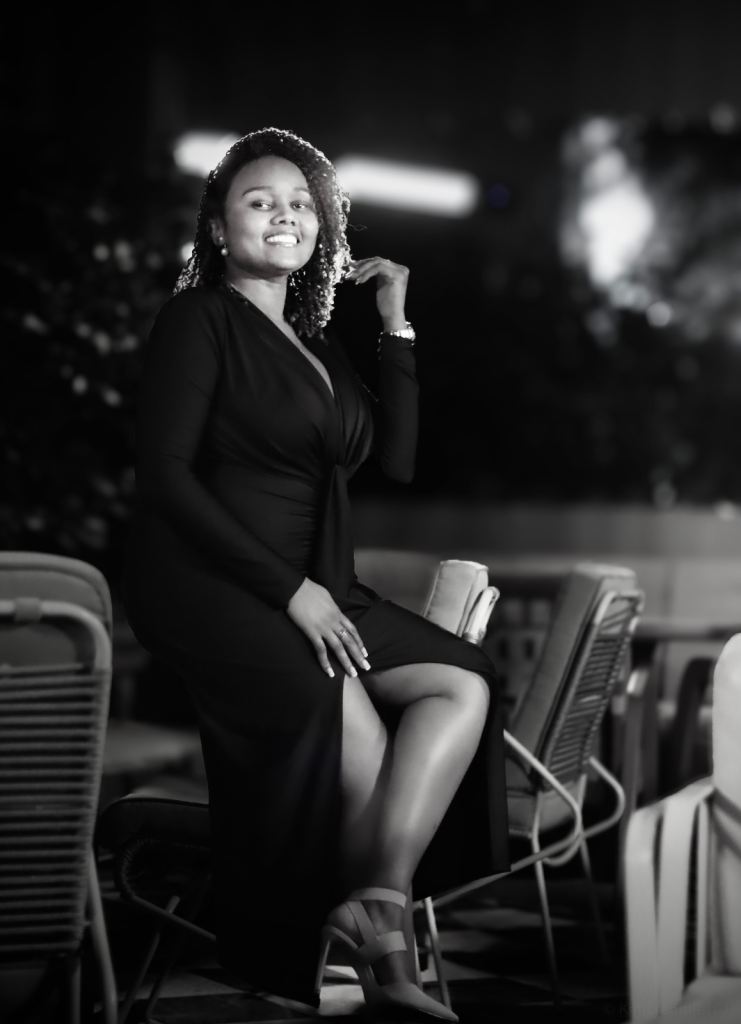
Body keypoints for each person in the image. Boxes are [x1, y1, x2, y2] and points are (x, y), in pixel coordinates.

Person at [123, 127, 509, 1019]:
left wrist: (394, 324)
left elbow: (396, 459)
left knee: (460, 683)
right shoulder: (198, 319)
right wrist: (288, 592)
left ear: (320, 228)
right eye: (259, 201)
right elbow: (165, 479)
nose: (284, 216)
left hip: (317, 584)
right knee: (352, 728)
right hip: (217, 585)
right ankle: (389, 966)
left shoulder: (313, 342)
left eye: (300, 204)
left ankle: (373, 900)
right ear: (218, 227)